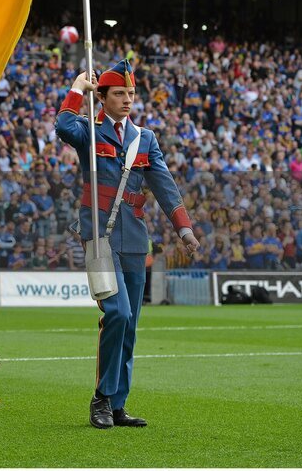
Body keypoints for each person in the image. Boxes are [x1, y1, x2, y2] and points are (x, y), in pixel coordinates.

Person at [56, 60, 199, 429]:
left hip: (135, 240)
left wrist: (184, 229)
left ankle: (118, 404)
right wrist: (76, 88)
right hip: (100, 239)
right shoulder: (88, 131)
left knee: (131, 323)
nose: (126, 99)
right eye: (118, 93)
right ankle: (101, 398)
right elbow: (62, 125)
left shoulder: (144, 138)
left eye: (130, 93)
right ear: (101, 97)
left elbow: (165, 186)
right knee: (117, 312)